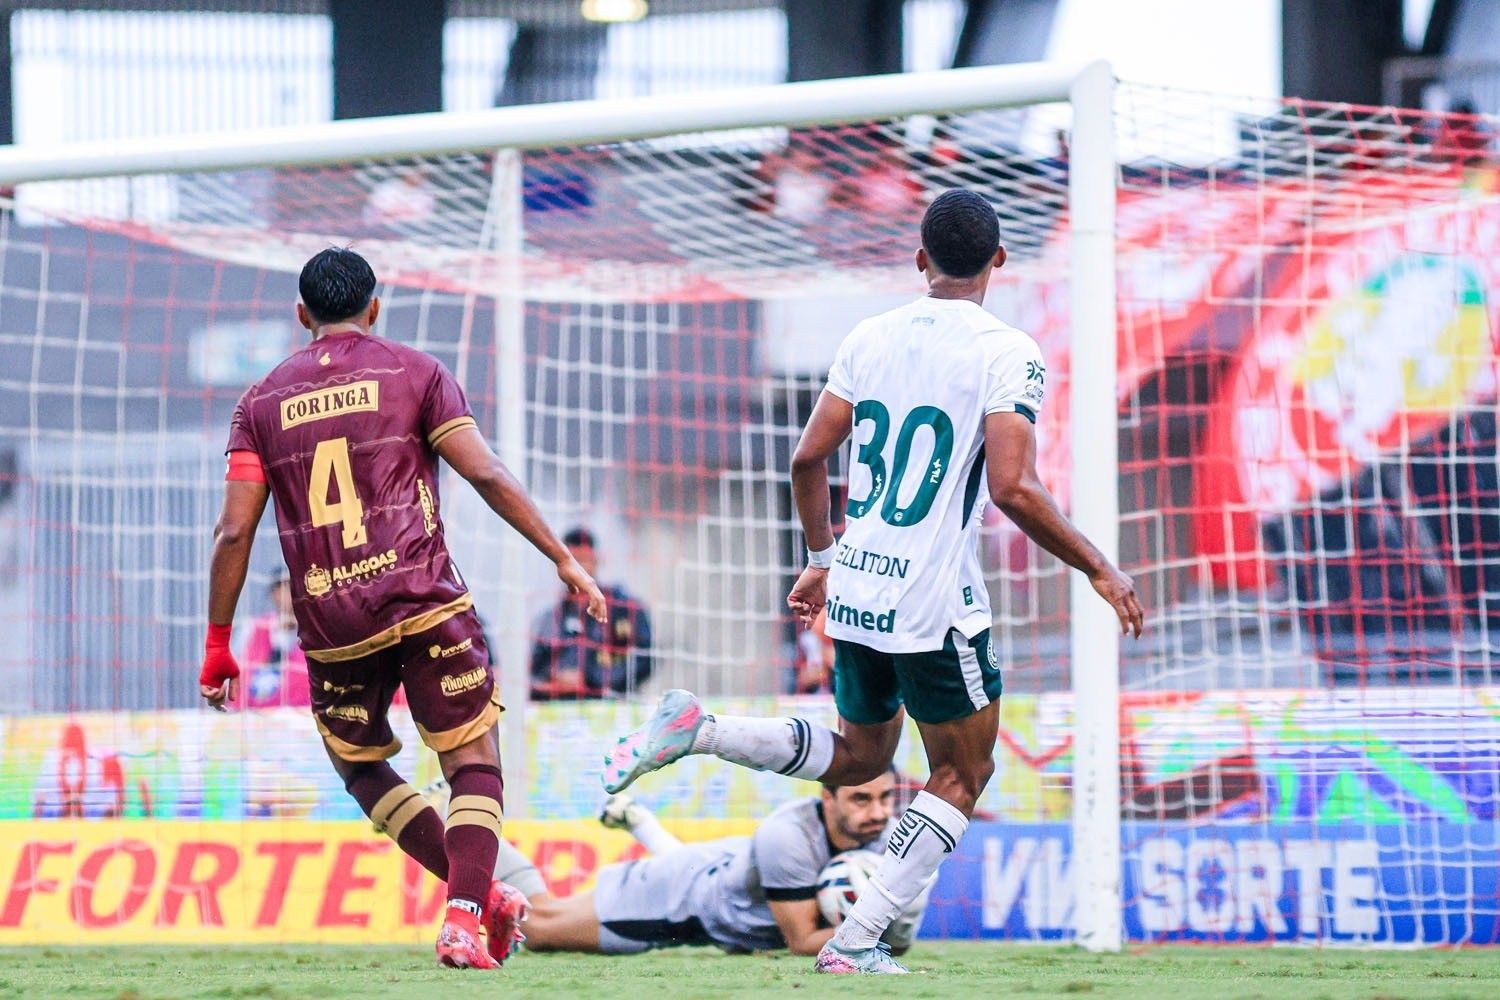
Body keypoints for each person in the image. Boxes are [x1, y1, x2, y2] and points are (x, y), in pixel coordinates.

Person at [601, 189, 1144, 974]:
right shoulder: (1008, 352)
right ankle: (855, 944)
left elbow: (806, 459)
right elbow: (1013, 487)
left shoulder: (870, 334)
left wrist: (824, 559)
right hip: (933, 601)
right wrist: (1100, 566)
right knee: (962, 773)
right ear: (999, 260)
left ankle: (700, 729)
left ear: (920, 260)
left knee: (861, 757)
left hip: (858, 581)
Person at [199, 247, 607, 969]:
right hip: (420, 600)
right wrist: (561, 556)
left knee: (359, 766)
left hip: (331, 624)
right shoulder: (414, 371)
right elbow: (483, 470)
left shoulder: (258, 402)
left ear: (302, 317)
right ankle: (465, 913)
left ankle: (485, 896)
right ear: (375, 307)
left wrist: (218, 643)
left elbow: (234, 530)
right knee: (473, 762)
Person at [489, 769, 927, 958]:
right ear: (827, 798)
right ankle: (471, 826)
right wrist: (884, 926)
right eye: (861, 799)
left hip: (725, 870)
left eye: (886, 797)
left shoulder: (886, 835)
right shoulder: (787, 837)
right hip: (681, 897)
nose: (877, 812)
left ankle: (641, 822)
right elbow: (802, 940)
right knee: (541, 927)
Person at [529, 526, 653, 700]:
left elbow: (646, 660)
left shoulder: (625, 608)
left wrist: (590, 679)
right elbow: (533, 673)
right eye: (574, 561)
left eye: (585, 560)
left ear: (597, 560)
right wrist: (556, 680)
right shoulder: (549, 619)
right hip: (558, 714)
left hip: (613, 709)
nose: (580, 568)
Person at [237, 567, 311, 708]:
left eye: (292, 586)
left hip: (304, 715)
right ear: (273, 593)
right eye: (281, 587)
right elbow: (234, 673)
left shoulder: (318, 630)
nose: (287, 593)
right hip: (258, 716)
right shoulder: (255, 628)